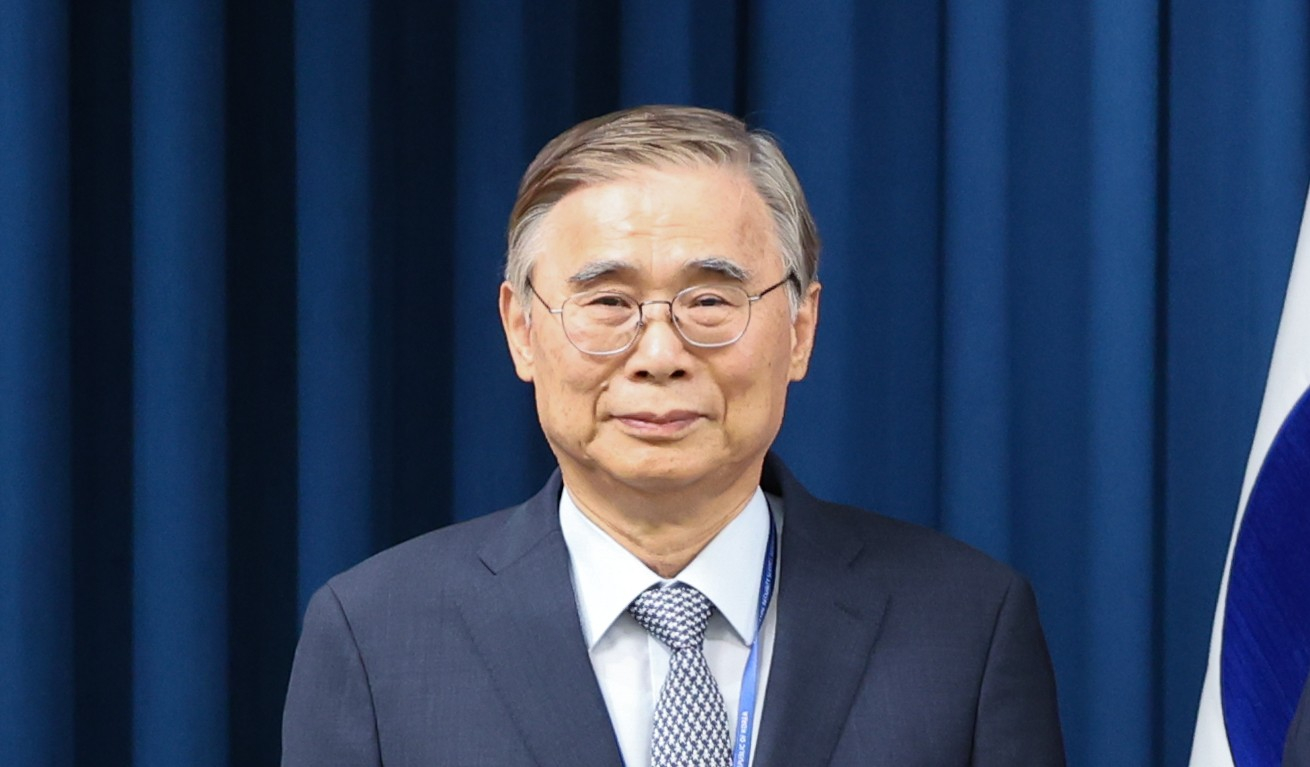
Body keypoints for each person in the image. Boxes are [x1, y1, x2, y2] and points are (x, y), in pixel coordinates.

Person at [282, 105, 1065, 766]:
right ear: (522, 331)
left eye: (711, 302)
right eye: (609, 303)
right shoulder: (375, 636)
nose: (660, 355)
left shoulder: (966, 626)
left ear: (800, 328)